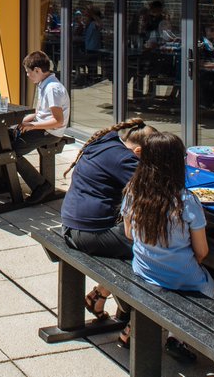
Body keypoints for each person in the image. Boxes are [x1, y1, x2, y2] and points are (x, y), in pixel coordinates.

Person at [121, 131, 214, 359]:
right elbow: (202, 252)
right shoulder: (187, 201)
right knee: (211, 289)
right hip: (182, 277)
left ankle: (137, 326)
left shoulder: (133, 192)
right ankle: (177, 336)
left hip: (144, 270)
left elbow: (129, 234)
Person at [61, 118, 158, 321]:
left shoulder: (105, 142)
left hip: (73, 224)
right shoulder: (125, 160)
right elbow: (156, 190)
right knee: (155, 249)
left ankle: (102, 294)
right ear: (139, 152)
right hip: (89, 232)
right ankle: (134, 321)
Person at [12, 50, 68, 205]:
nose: (28, 76)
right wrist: (22, 121)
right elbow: (39, 113)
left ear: (37, 70)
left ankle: (41, 186)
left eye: (28, 72)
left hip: (50, 132)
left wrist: (32, 125)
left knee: (10, 152)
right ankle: (7, 181)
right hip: (43, 128)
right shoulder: (44, 84)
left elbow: (58, 121)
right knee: (5, 139)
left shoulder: (52, 89)